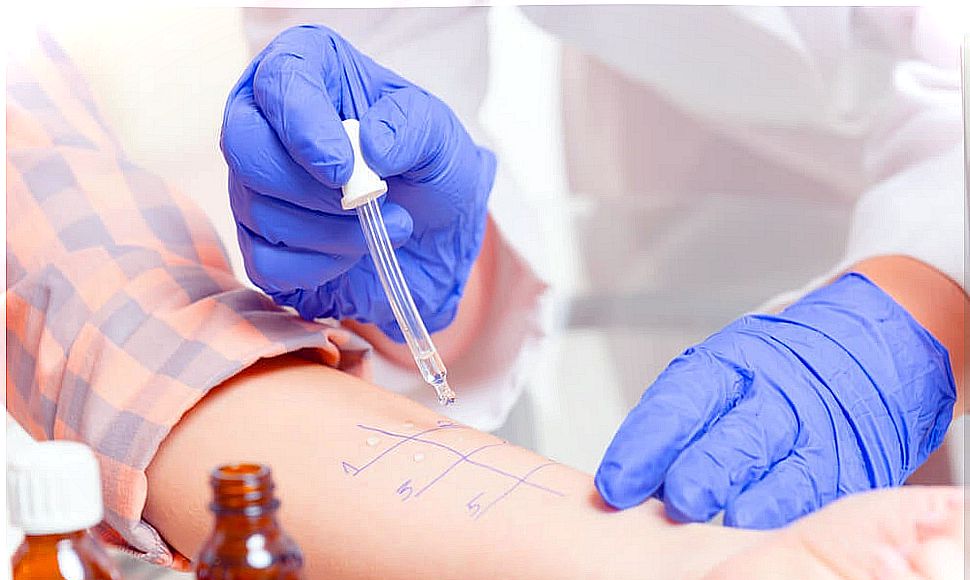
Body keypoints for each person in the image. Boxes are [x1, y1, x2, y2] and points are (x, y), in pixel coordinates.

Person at [6, 30, 966, 580]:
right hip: (695, 160)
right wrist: (438, 292)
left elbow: (149, 341)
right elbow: (137, 337)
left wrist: (930, 285)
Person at [223, 9, 966, 529]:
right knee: (715, 531)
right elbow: (383, 49)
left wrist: (926, 299)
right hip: (688, 96)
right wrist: (437, 279)